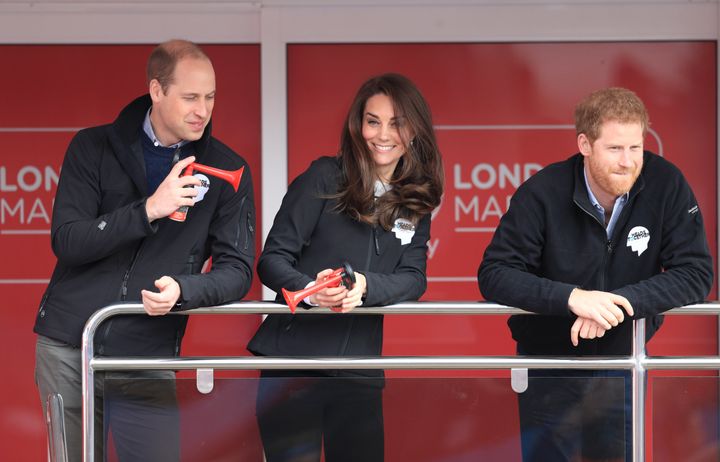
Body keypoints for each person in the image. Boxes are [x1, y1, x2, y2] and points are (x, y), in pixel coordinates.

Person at [33, 39, 255, 462]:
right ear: (157, 90)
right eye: (190, 97)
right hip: (68, 348)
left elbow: (238, 270)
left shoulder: (229, 170)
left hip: (147, 352)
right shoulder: (91, 147)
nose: (202, 110)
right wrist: (150, 208)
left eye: (210, 97)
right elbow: (68, 240)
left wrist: (184, 291)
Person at [478, 87, 713, 461]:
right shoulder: (542, 192)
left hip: (621, 368)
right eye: (615, 149)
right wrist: (574, 299)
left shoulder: (666, 183)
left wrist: (618, 305)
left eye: (635, 148)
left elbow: (697, 273)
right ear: (585, 144)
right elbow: (495, 274)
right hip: (547, 369)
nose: (627, 161)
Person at [247, 73, 444, 461]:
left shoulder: (415, 201)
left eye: (397, 123)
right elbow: (271, 260)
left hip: (359, 373)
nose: (382, 134)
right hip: (292, 369)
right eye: (373, 121)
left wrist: (366, 286)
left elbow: (413, 278)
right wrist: (310, 291)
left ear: (414, 130)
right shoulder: (324, 176)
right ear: (358, 125)